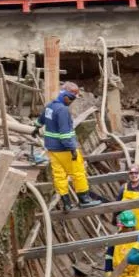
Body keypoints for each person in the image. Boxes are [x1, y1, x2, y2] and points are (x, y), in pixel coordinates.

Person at [38, 82, 102, 211]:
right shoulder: (63, 111)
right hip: (64, 149)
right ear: (65, 96)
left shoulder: (51, 106)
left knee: (59, 175)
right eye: (72, 98)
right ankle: (84, 199)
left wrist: (36, 127)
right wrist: (72, 148)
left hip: (52, 148)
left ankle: (66, 203)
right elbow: (65, 134)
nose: (72, 101)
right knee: (78, 173)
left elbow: (41, 119)